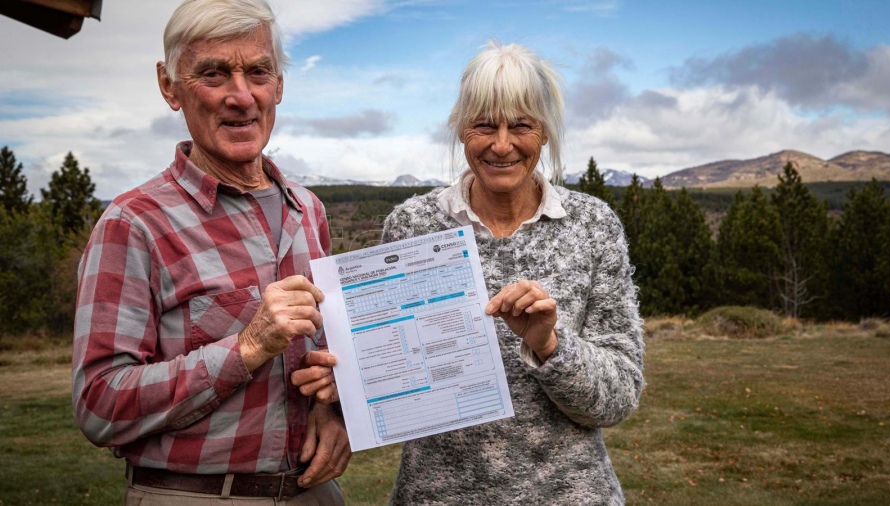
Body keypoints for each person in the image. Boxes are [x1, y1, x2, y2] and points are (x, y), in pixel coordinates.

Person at [71, 0, 348, 503]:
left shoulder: (309, 210)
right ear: (169, 86)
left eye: (258, 72)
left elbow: (327, 354)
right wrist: (247, 347)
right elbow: (99, 404)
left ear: (279, 85)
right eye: (214, 74)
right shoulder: (134, 224)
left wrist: (339, 407)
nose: (241, 97)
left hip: (314, 491)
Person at [381, 41, 645, 505]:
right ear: (461, 130)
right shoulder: (412, 226)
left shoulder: (592, 225)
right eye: (484, 125)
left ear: (543, 133)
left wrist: (549, 345)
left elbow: (618, 397)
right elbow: (387, 371)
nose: (501, 145)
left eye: (520, 125)